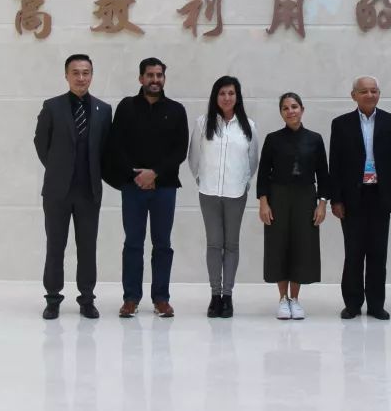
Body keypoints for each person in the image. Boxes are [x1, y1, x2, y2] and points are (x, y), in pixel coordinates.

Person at [33, 54, 113, 320]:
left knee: (87, 248)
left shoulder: (103, 110)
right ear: (66, 75)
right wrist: (58, 169)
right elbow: (41, 143)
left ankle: (87, 299)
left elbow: (105, 149)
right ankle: (53, 299)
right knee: (55, 246)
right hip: (58, 192)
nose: (81, 78)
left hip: (89, 191)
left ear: (92, 75)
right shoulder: (52, 107)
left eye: (86, 72)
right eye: (75, 72)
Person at [111, 57, 189, 318]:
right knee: (133, 243)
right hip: (133, 186)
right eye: (150, 75)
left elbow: (180, 150)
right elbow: (116, 145)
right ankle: (131, 298)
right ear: (141, 78)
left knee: (162, 244)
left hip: (164, 187)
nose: (155, 80)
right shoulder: (126, 107)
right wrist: (136, 176)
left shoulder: (176, 110)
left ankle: (161, 299)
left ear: (164, 78)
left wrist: (155, 173)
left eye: (159, 75)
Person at [328, 76, 391, 320]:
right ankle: (352, 304)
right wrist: (336, 199)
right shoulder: (341, 124)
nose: (370, 95)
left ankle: (376, 304)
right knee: (353, 253)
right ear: (354, 95)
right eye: (364, 91)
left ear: (379, 94)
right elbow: (335, 164)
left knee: (378, 253)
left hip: (380, 195)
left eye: (374, 91)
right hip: (353, 196)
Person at [187, 76, 259, 318]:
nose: (227, 98)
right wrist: (201, 179)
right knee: (214, 243)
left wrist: (243, 182)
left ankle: (227, 296)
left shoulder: (248, 126)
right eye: (222, 93)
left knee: (231, 245)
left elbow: (252, 160)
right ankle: (215, 295)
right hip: (209, 193)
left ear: (237, 97)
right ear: (215, 96)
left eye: (231, 93)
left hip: (236, 194)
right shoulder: (203, 123)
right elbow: (194, 157)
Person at [256, 92, 331, 320]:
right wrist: (263, 203)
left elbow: (323, 175)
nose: (291, 111)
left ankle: (295, 299)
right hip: (278, 197)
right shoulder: (273, 139)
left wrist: (322, 204)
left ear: (302, 109)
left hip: (306, 198)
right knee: (278, 245)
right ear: (281, 113)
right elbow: (263, 174)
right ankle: (282, 299)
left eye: (294, 106)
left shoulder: (315, 139)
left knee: (302, 246)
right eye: (285, 108)